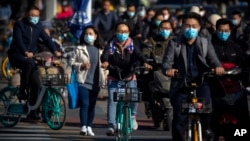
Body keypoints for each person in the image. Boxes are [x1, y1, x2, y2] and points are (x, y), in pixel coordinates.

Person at [162, 12, 224, 141]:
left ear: (199, 28)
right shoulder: (174, 43)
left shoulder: (205, 43)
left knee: (207, 109)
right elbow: (166, 63)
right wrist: (168, 70)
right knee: (179, 117)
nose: (190, 29)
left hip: (202, 82)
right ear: (182, 26)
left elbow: (213, 60)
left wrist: (217, 68)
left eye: (194, 26)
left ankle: (207, 128)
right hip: (181, 85)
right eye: (187, 25)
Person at [7, 6, 61, 120]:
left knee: (37, 83)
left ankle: (33, 111)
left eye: (37, 15)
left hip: (31, 57)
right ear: (27, 15)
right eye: (32, 15)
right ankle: (22, 90)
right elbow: (18, 40)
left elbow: (47, 39)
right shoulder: (19, 25)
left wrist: (55, 50)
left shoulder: (38, 26)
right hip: (17, 55)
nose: (35, 18)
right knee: (28, 64)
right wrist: (25, 52)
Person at [101, 22, 152, 135]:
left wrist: (145, 63)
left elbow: (140, 54)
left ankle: (133, 116)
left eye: (125, 31)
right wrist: (105, 62)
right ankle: (111, 125)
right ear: (115, 32)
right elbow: (104, 55)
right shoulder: (111, 44)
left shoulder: (132, 44)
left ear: (128, 33)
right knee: (112, 102)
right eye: (120, 31)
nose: (122, 34)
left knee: (134, 97)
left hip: (129, 76)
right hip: (114, 76)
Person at [210, 18, 250, 141]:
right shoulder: (209, 46)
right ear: (216, 30)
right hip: (216, 87)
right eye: (220, 30)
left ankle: (241, 136)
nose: (223, 33)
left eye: (226, 30)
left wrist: (243, 72)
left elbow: (245, 63)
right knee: (213, 115)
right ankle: (214, 134)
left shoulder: (237, 46)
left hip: (235, 86)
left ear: (230, 31)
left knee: (243, 116)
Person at [69, 25, 106, 136]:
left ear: (96, 36)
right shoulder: (79, 49)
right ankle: (83, 127)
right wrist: (81, 65)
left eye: (90, 34)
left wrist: (105, 69)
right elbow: (71, 62)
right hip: (83, 80)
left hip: (96, 82)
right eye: (86, 34)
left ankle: (89, 126)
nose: (88, 36)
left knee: (92, 105)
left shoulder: (101, 50)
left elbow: (106, 65)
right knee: (85, 104)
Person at [140, 20, 174, 128]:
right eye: (163, 28)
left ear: (171, 30)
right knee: (148, 87)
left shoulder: (175, 41)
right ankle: (150, 106)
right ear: (159, 29)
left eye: (168, 28)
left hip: (172, 72)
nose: (165, 31)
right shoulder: (152, 41)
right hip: (156, 71)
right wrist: (146, 62)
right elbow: (145, 52)